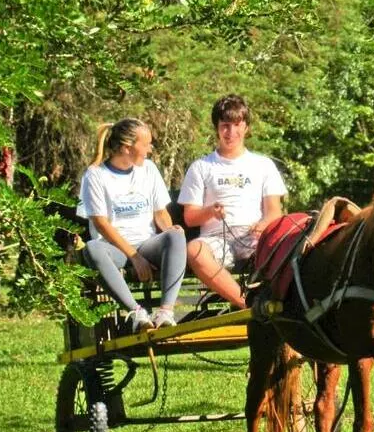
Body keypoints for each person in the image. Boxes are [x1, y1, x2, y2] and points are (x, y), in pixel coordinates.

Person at [77, 118, 186, 332]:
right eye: (146, 145)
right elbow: (101, 224)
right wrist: (134, 258)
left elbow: (160, 212)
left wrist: (169, 231)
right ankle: (137, 313)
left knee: (176, 235)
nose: (150, 150)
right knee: (92, 248)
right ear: (127, 148)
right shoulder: (96, 175)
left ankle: (165, 312)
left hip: (146, 243)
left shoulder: (149, 170)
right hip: (115, 248)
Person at [178, 95, 287, 309]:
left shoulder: (263, 165)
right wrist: (210, 211)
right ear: (217, 129)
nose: (231, 133)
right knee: (194, 250)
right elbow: (190, 218)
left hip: (254, 237)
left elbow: (275, 212)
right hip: (216, 239)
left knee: (287, 246)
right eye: (225, 126)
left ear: (246, 127)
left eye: (237, 125)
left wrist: (263, 225)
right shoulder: (201, 167)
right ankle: (247, 304)